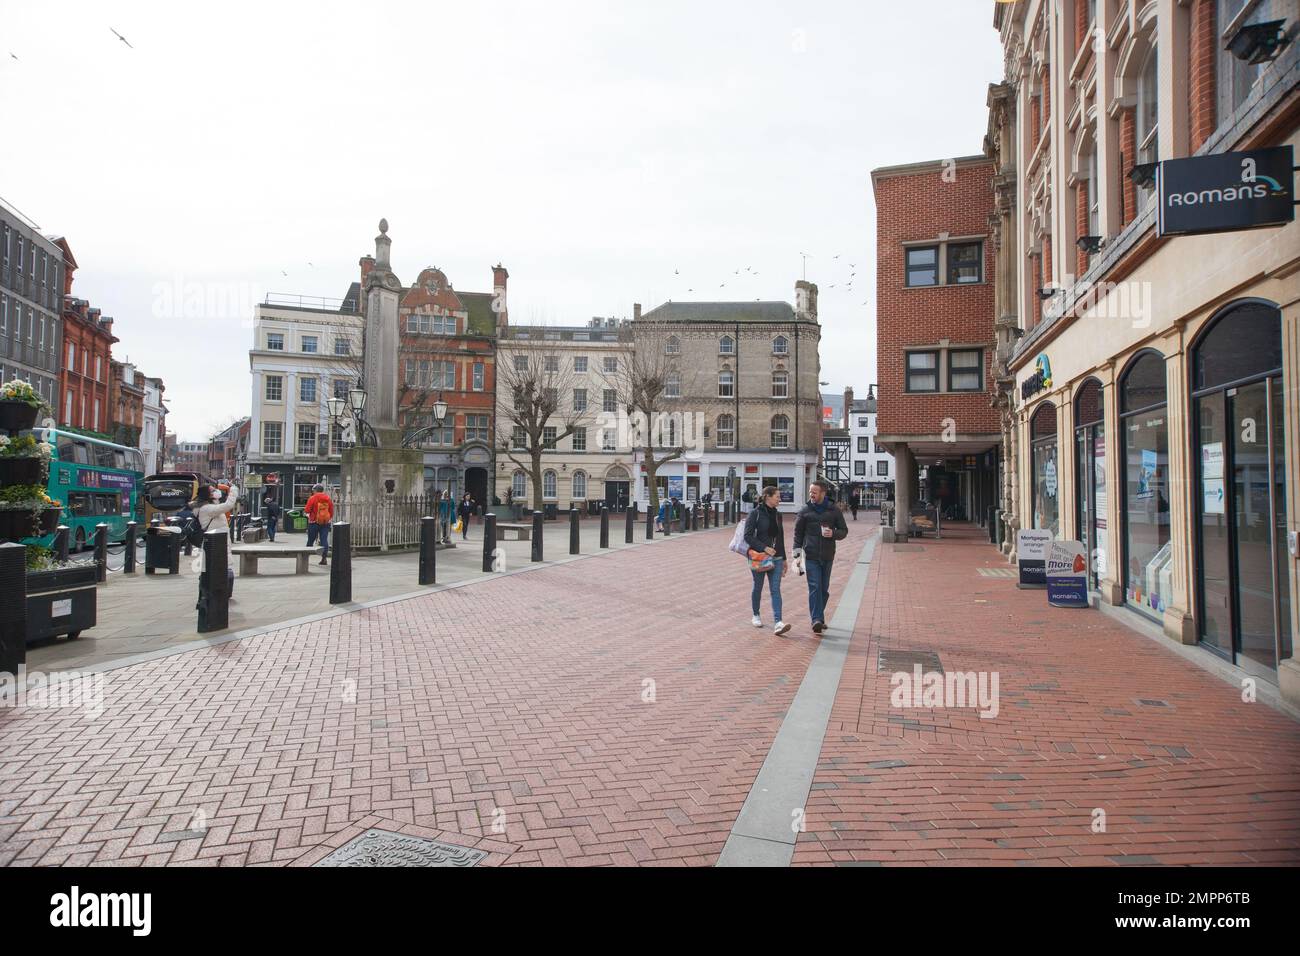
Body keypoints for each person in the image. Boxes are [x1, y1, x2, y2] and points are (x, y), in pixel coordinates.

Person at [793, 479, 849, 634]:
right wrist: (796, 554)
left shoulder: (833, 510)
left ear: (823, 493)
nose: (811, 494)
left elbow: (844, 530)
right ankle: (816, 619)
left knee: (824, 589)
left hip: (828, 555)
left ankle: (819, 617)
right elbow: (798, 534)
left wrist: (833, 533)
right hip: (810, 556)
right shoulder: (805, 511)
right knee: (815, 587)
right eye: (810, 491)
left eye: (814, 492)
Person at [744, 485, 791, 636]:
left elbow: (780, 537)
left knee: (775, 589)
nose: (780, 499)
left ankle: (778, 622)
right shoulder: (755, 514)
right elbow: (748, 536)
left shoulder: (778, 515)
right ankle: (756, 614)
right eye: (777, 496)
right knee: (758, 586)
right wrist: (764, 548)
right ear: (768, 497)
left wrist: (784, 559)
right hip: (759, 557)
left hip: (776, 558)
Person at [191, 481, 240, 604]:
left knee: (213, 571)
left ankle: (211, 595)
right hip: (216, 544)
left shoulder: (209, 507)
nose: (216, 491)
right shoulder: (207, 509)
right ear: (208, 495)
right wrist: (233, 489)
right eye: (213, 490)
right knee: (217, 571)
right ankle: (214, 597)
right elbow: (229, 505)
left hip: (218, 542)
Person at [304, 483, 334, 565]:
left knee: (310, 540)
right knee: (324, 540)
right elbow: (331, 512)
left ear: (315, 490)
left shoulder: (312, 498)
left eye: (313, 490)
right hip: (325, 523)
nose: (312, 491)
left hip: (313, 522)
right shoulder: (328, 498)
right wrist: (325, 518)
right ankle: (324, 559)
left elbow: (307, 510)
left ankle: (305, 558)